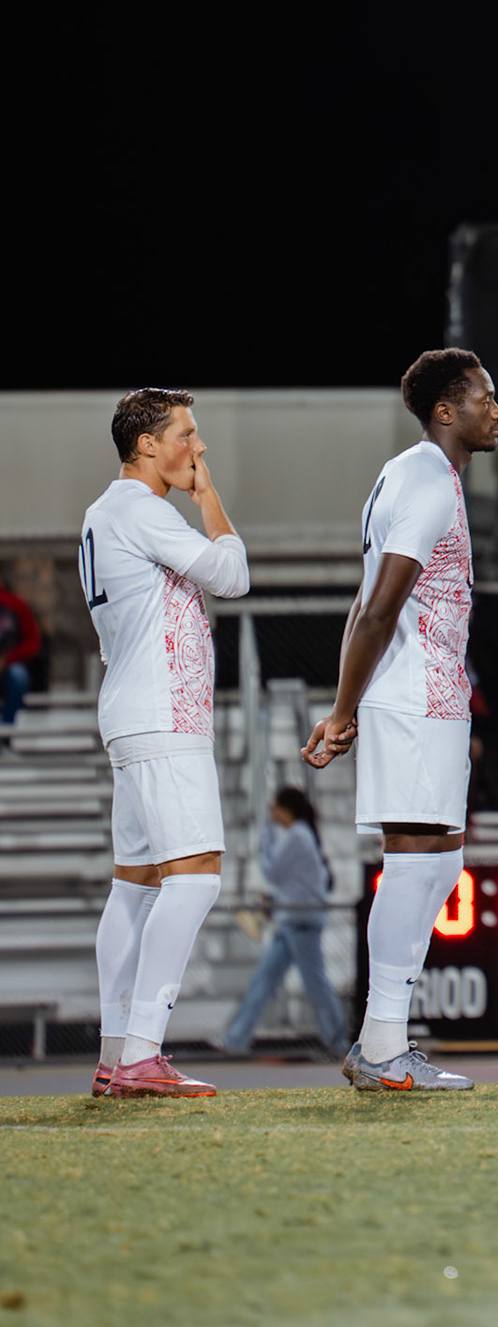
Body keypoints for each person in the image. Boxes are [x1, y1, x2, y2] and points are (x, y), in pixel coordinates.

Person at [303, 348, 498, 1093]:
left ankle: (385, 1040)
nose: (497, 411)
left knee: (438, 863)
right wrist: (343, 709)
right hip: (415, 694)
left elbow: (366, 600)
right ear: (445, 410)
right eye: (484, 397)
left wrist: (347, 701)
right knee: (415, 861)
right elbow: (380, 606)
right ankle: (382, 1043)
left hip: (429, 693)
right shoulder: (424, 480)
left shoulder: (412, 473)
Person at [82, 387, 250, 1098]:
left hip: (134, 707)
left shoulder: (104, 512)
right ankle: (142, 1053)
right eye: (186, 433)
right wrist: (208, 497)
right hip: (162, 713)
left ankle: (115, 1052)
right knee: (197, 874)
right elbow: (232, 575)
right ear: (146, 444)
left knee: (136, 884)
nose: (198, 447)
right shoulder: (140, 509)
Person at [220, 787, 348, 1056]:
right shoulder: (302, 835)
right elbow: (295, 883)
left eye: (274, 808)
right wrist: (275, 899)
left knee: (314, 984)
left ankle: (337, 1041)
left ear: (285, 808)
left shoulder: (297, 836)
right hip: (293, 919)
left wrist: (265, 834)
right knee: (264, 982)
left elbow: (272, 870)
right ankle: (235, 1040)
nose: (272, 812)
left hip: (300, 921)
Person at [0, 576, 41, 734]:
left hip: (10, 666)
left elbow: (32, 642)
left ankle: (6, 732)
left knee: (19, 676)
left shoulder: (16, 604)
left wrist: (7, 659)